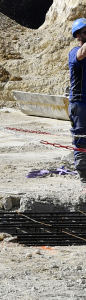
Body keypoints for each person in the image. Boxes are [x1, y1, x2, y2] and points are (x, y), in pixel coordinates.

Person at [69, 19, 86, 186]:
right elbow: (82, 52)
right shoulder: (75, 52)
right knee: (81, 140)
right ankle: (84, 180)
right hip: (79, 103)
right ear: (78, 36)